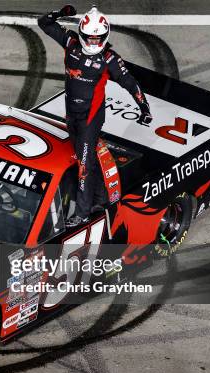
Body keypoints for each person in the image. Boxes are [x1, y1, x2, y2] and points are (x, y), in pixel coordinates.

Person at [38, 5, 153, 227]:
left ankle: (82, 213)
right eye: (89, 38)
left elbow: (130, 82)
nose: (92, 43)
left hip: (90, 118)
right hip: (71, 113)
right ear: (81, 34)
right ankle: (101, 198)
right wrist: (61, 13)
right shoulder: (70, 43)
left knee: (83, 163)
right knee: (86, 160)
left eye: (97, 38)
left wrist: (144, 108)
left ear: (104, 35)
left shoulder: (109, 59)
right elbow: (44, 22)